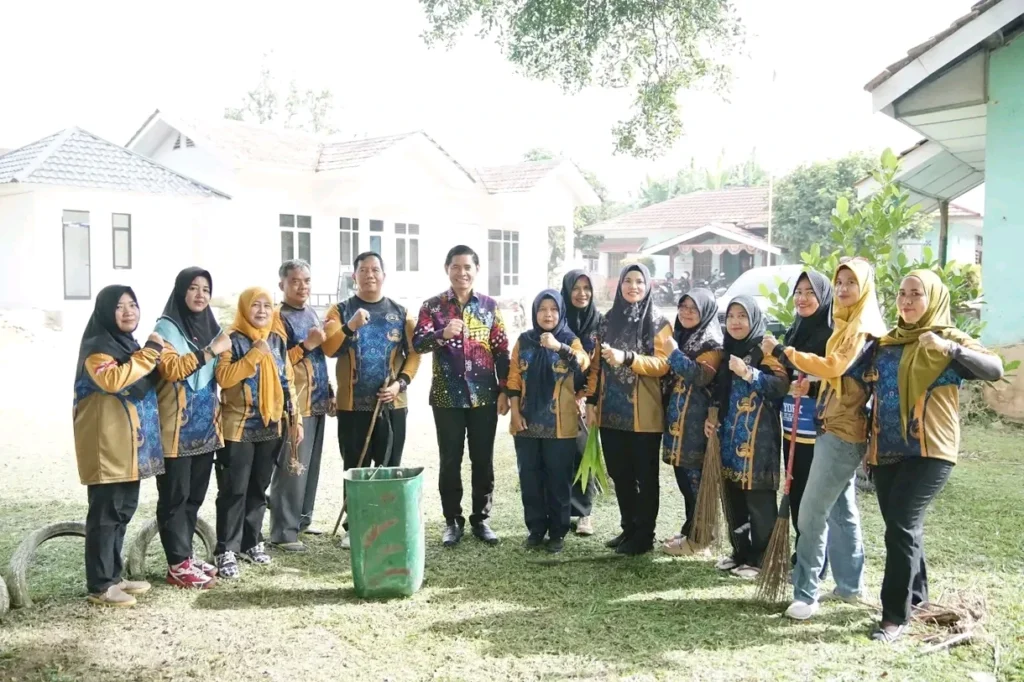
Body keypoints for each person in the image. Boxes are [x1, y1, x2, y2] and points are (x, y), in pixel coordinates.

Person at [867, 270, 1002, 642]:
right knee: (904, 530)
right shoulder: (885, 343)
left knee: (900, 527)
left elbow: (995, 369)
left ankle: (894, 617)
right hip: (887, 450)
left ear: (933, 299)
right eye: (902, 293)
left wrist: (952, 350)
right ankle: (918, 601)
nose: (907, 300)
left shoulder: (946, 339)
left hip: (930, 450)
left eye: (917, 294)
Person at [761, 259, 886, 620]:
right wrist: (813, 382)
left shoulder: (860, 328)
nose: (844, 289)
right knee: (841, 508)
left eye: (851, 283)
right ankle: (849, 585)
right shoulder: (846, 326)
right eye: (840, 281)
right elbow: (845, 375)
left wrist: (786, 353)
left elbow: (834, 366)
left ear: (864, 288)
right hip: (834, 423)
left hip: (844, 430)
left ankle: (806, 594)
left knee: (811, 511)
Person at [413, 245, 510, 547]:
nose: (462, 272)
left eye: (468, 267)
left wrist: (506, 389)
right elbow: (417, 343)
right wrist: (441, 334)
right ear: (447, 269)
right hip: (447, 397)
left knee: (483, 459)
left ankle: (481, 519)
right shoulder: (433, 307)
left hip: (484, 396)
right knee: (450, 459)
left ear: (476, 270)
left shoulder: (490, 306)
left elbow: (502, 349)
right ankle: (452, 520)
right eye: (456, 267)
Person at [73, 285, 164, 607]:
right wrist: (151, 352)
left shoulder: (126, 345)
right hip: (107, 446)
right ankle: (100, 585)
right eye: (120, 307)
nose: (129, 312)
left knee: (122, 510)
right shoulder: (98, 348)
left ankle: (113, 576)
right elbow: (112, 380)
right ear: (105, 312)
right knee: (105, 514)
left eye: (133, 305)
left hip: (129, 447)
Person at [323, 252, 420, 549]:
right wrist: (350, 326)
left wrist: (400, 384)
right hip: (352, 406)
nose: (370, 275)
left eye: (375, 269)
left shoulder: (401, 313)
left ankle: (386, 523)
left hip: (392, 405)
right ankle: (357, 525)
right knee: (356, 465)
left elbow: (414, 355)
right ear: (354, 276)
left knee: (390, 465)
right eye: (363, 270)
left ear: (384, 275)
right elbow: (329, 348)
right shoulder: (340, 311)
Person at [585, 263, 671, 556]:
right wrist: (592, 402)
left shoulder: (658, 322)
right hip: (611, 411)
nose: (633, 286)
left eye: (639, 281)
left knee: (645, 477)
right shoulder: (608, 321)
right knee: (620, 473)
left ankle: (644, 534)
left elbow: (664, 365)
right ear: (620, 285)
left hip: (644, 414)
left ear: (648, 286)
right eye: (628, 281)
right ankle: (628, 528)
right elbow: (596, 365)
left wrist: (628, 357)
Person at [214, 287, 300, 579]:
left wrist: (295, 419)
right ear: (244, 308)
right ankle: (226, 549)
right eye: (255, 305)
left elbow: (287, 381)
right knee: (233, 489)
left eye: (267, 305)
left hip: (270, 427)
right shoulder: (231, 339)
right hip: (238, 427)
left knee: (258, 489)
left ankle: (252, 541)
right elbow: (224, 379)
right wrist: (253, 355)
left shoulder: (277, 339)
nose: (262, 311)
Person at [154, 268, 230, 589]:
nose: (200, 295)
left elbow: (222, 376)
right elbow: (171, 369)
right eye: (194, 288)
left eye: (206, 289)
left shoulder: (212, 328)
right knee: (174, 496)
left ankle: (184, 558)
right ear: (181, 291)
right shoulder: (164, 330)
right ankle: (176, 565)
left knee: (194, 496)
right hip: (176, 429)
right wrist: (212, 350)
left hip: (205, 429)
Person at [705, 296, 789, 578]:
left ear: (753, 318)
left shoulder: (765, 349)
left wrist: (748, 372)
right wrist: (712, 417)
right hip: (729, 434)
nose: (736, 322)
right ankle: (740, 551)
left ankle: (761, 558)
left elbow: (780, 385)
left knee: (758, 496)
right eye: (730, 316)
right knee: (733, 494)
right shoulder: (727, 349)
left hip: (758, 436)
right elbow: (719, 391)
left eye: (742, 315)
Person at [507, 290, 590, 554]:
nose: (548, 314)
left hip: (561, 425)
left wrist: (559, 347)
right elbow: (513, 379)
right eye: (542, 309)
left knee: (558, 480)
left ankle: (557, 532)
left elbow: (583, 363)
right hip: (527, 423)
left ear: (561, 312)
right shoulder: (524, 341)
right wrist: (515, 413)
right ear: (534, 312)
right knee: (530, 479)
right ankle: (535, 529)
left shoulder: (569, 340)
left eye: (553, 309)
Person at [269, 260, 337, 553]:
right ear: (282, 284)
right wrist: (307, 345)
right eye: (295, 281)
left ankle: (301, 521)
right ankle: (283, 532)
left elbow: (319, 358)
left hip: (318, 400)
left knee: (310, 466)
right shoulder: (276, 318)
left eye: (307, 281)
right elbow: (276, 362)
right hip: (295, 403)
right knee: (291, 467)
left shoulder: (310, 312)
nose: (302, 286)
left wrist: (330, 390)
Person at [775, 271, 834, 572]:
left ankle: (817, 560)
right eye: (798, 291)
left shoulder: (833, 334)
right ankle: (803, 552)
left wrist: (813, 386)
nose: (802, 298)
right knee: (795, 487)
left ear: (824, 296)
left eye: (810, 292)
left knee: (816, 496)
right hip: (792, 424)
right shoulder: (794, 332)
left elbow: (841, 378)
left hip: (820, 428)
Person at [661, 289, 724, 556]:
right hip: (681, 425)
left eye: (693, 308)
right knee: (686, 480)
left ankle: (701, 540)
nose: (686, 312)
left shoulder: (711, 344)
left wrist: (673, 353)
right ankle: (691, 530)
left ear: (706, 311)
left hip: (698, 425)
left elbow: (700, 377)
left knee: (697, 482)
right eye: (683, 306)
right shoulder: (684, 336)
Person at [560, 269, 603, 536]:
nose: (582, 293)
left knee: (583, 453)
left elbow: (598, 367)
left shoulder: (598, 323)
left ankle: (584, 513)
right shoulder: (557, 319)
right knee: (558, 457)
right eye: (576, 288)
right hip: (557, 398)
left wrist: (585, 395)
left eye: (587, 288)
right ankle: (561, 509)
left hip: (586, 399)